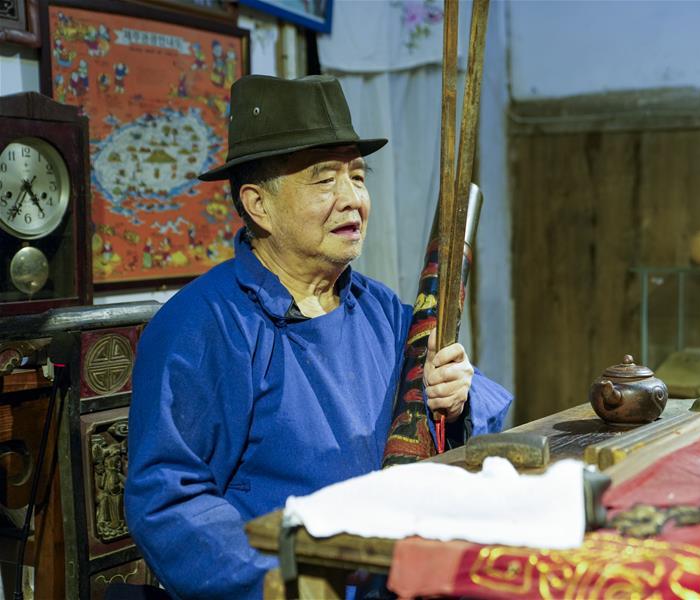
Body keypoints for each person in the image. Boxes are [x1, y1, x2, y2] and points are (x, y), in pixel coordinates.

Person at [124, 74, 512, 599]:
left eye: (358, 176)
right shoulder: (203, 326)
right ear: (259, 205)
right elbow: (169, 501)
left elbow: (475, 406)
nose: (353, 199)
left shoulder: (379, 310)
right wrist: (285, 584)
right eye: (325, 180)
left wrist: (456, 399)